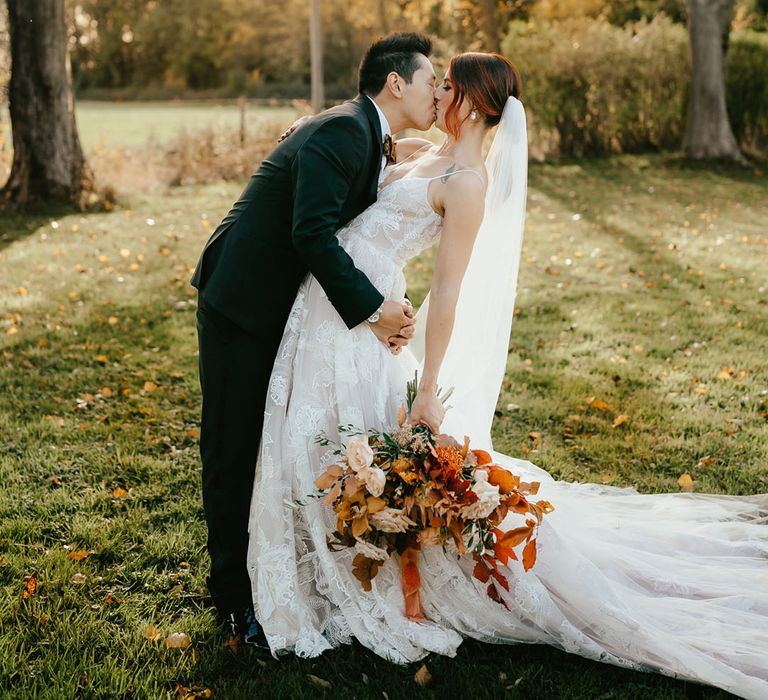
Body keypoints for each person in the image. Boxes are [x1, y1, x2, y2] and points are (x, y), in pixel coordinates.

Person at [246, 50, 768, 700]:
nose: (434, 94)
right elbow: (367, 146)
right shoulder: (429, 151)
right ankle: (315, 555)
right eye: (432, 84)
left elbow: (448, 289)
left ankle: (360, 576)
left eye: (445, 87)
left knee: (346, 436)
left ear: (468, 101)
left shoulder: (467, 181)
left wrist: (428, 386)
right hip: (342, 310)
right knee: (321, 430)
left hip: (367, 320)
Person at [191, 32, 438, 646]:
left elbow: (367, 178)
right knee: (233, 443)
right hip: (242, 300)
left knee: (272, 436)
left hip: (284, 306)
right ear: (397, 84)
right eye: (432, 80)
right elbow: (311, 234)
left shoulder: (361, 131)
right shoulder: (342, 130)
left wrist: (403, 153)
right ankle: (230, 599)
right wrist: (373, 311)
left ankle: (280, 570)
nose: (438, 91)